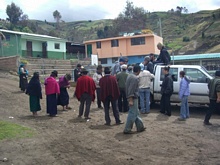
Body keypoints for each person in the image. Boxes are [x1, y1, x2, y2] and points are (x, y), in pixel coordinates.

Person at [123, 65, 145, 134]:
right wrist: (131, 99)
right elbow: (131, 89)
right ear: (138, 71)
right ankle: (127, 129)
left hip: (131, 97)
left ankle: (140, 127)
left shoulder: (130, 75)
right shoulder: (135, 78)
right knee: (132, 113)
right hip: (133, 97)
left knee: (136, 112)